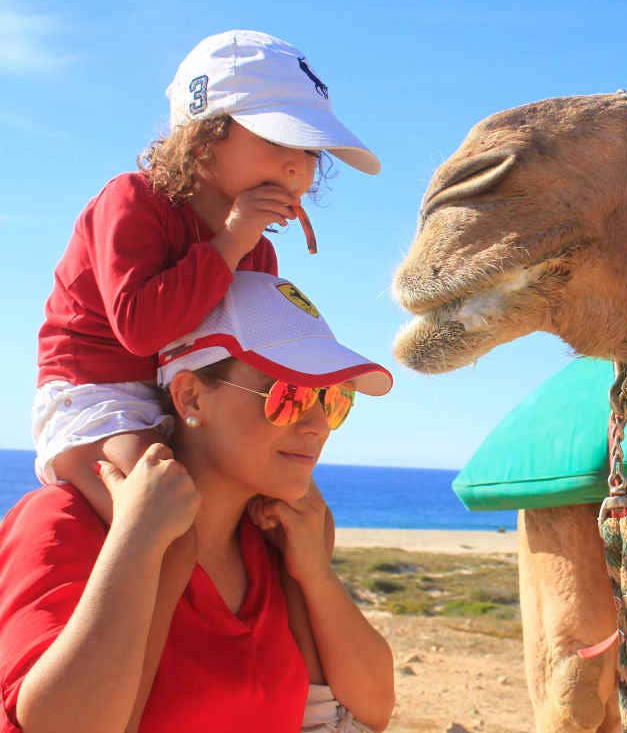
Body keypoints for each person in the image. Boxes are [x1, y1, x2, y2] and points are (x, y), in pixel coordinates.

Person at [0, 272, 396, 733]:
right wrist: (138, 544)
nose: (316, 426)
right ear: (190, 396)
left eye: (333, 400)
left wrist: (315, 574)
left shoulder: (272, 542)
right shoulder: (64, 523)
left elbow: (372, 711)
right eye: (288, 396)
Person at [34, 28, 380, 522]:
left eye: (310, 150)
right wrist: (231, 243)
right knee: (163, 518)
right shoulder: (133, 200)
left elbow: (242, 362)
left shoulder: (257, 254)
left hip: (183, 401)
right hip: (96, 394)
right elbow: (140, 330)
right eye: (280, 137)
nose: (296, 164)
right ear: (203, 141)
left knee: (300, 516)